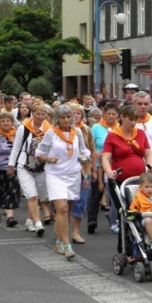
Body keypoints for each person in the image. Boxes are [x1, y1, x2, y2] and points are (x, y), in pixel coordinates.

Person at [36, 105, 91, 259]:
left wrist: (86, 175)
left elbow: (84, 153)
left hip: (73, 174)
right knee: (62, 208)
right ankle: (66, 244)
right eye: (62, 117)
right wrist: (48, 158)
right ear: (57, 119)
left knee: (68, 208)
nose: (66, 120)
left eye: (68, 117)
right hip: (55, 174)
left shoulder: (77, 132)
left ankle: (59, 238)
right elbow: (39, 153)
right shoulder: (51, 133)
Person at [101, 104, 152, 254]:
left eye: (135, 120)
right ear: (122, 117)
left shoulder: (140, 133)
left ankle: (145, 244)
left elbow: (148, 153)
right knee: (125, 214)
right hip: (120, 180)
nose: (133, 123)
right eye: (130, 119)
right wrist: (109, 171)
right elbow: (106, 158)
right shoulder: (113, 135)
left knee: (142, 210)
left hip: (138, 180)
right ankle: (125, 248)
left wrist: (150, 165)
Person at [8, 102, 51, 236]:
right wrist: (11, 165)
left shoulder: (49, 130)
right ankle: (38, 224)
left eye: (43, 114)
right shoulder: (24, 128)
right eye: (37, 114)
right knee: (31, 195)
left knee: (38, 196)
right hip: (24, 165)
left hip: (42, 167)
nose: (40, 117)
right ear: (33, 114)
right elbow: (16, 147)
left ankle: (29, 220)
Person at [87, 102, 119, 234]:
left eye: (114, 114)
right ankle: (92, 220)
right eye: (108, 114)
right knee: (96, 193)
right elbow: (90, 146)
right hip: (98, 164)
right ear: (104, 114)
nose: (111, 116)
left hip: (113, 165)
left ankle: (114, 219)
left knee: (115, 195)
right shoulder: (96, 127)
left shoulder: (119, 128)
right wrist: (95, 155)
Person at [68, 102, 97, 245]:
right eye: (72, 113)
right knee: (65, 203)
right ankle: (62, 230)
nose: (75, 116)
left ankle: (76, 232)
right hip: (65, 171)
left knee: (80, 202)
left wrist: (93, 170)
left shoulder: (85, 130)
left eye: (78, 113)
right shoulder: (56, 131)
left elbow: (91, 151)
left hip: (83, 169)